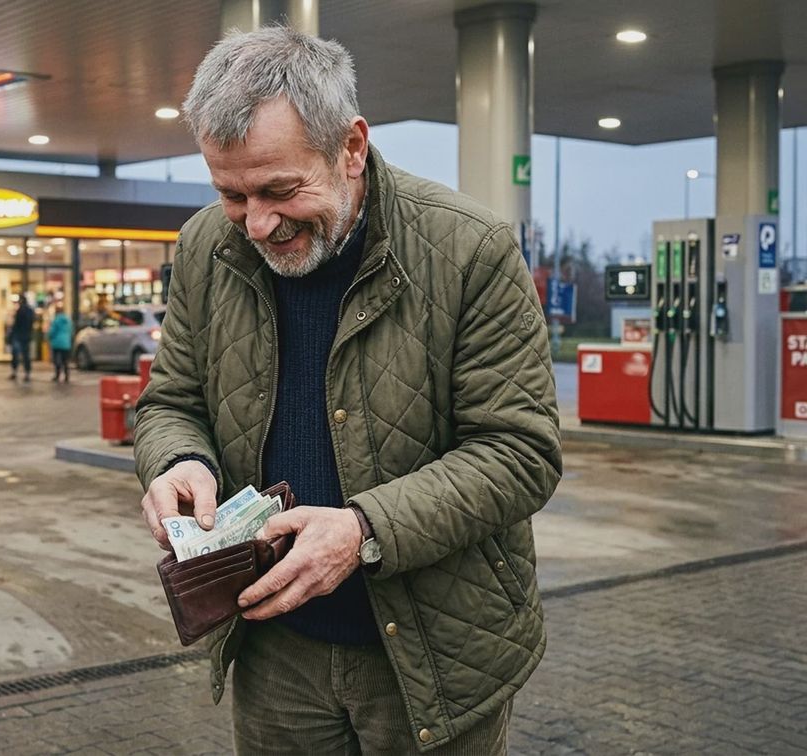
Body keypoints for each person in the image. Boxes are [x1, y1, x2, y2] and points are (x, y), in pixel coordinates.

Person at [134, 27, 561, 755]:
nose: (258, 223)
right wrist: (178, 461)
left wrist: (362, 530)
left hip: (436, 653)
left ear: (351, 148)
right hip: (272, 648)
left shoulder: (470, 250)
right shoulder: (207, 245)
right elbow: (171, 400)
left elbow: (520, 452)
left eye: (279, 189)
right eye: (231, 193)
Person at [8, 295, 35, 382]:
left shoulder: (20, 310)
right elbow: (31, 323)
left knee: (16, 355)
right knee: (26, 355)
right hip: (26, 336)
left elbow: (16, 324)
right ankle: (27, 373)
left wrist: (12, 334)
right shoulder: (30, 311)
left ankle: (15, 372)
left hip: (19, 336)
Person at [48, 308, 73, 382]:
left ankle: (57, 375)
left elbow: (52, 331)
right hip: (66, 343)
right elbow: (71, 331)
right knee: (65, 360)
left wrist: (49, 337)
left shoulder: (56, 320)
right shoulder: (68, 321)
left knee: (56, 360)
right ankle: (67, 376)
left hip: (57, 343)